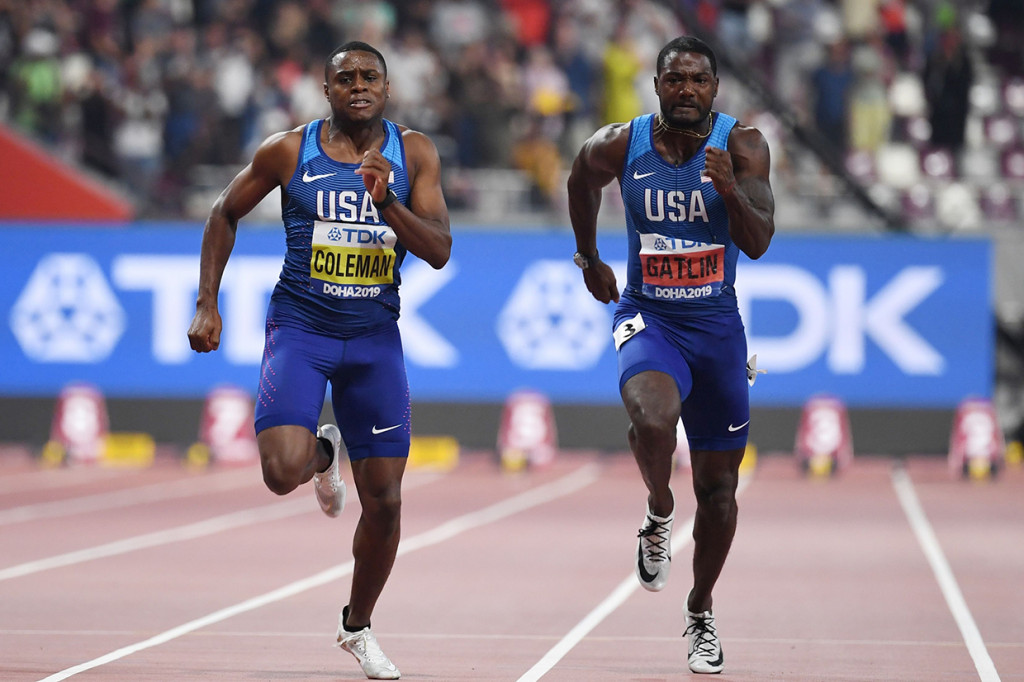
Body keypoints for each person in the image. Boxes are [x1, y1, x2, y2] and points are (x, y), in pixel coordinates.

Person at [187, 41, 451, 680]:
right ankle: (324, 454)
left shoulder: (414, 153)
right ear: (325, 89)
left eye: (370, 77)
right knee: (281, 472)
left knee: (384, 501)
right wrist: (207, 304)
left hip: (372, 340)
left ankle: (356, 627)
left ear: (386, 89)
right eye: (345, 78)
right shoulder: (287, 151)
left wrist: (388, 202)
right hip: (301, 329)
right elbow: (224, 212)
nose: (358, 86)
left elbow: (439, 249)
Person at [566, 36, 774, 675]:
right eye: (675, 80)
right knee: (652, 419)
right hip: (649, 315)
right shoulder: (620, 144)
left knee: (718, 490)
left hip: (716, 328)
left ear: (715, 89)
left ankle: (701, 609)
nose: (687, 90)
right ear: (656, 85)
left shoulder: (743, 147)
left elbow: (760, 241)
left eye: (699, 81)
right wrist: (589, 258)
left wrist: (729, 193)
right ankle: (659, 509)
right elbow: (580, 177)